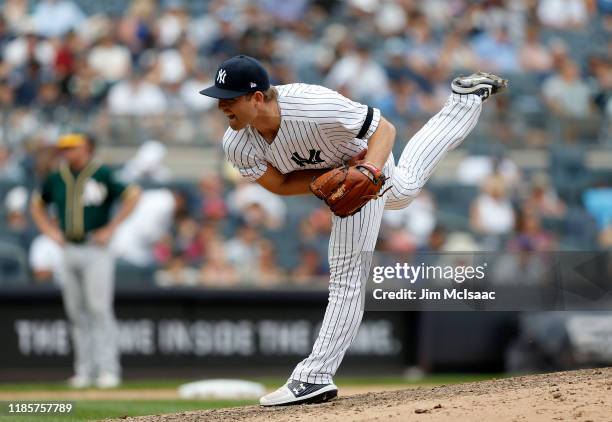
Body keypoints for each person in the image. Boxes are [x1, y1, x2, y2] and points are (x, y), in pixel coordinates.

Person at [199, 55, 506, 406]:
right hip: (349, 174)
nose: (221, 104)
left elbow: (384, 130)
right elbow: (281, 184)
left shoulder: (313, 104)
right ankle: (463, 101)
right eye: (219, 96)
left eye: (230, 97)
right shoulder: (237, 143)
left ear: (256, 98)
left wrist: (368, 172)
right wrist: (330, 181)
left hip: (367, 156)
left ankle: (313, 377)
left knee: (347, 275)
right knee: (403, 191)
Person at [30, 133, 141, 389]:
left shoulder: (102, 172)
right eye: (65, 148)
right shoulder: (58, 176)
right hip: (68, 246)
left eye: (73, 147)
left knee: (99, 308)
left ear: (87, 148)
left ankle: (108, 369)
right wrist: (50, 231)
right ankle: (84, 369)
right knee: (76, 311)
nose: (67, 152)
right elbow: (37, 204)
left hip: (95, 247)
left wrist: (111, 227)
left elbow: (133, 194)